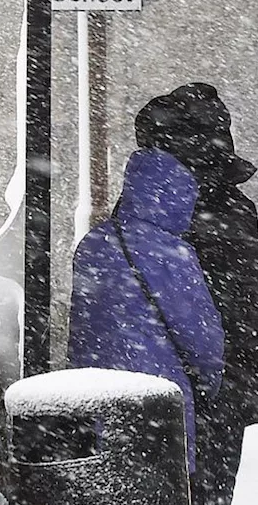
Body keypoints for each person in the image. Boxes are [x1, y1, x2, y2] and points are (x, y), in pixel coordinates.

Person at [134, 82, 258, 505]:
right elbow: (243, 301)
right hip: (218, 381)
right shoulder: (227, 208)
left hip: (145, 382)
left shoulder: (138, 210)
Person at [67, 146, 225, 476]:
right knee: (160, 496)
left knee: (107, 490)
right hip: (159, 400)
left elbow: (81, 328)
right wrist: (209, 385)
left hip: (93, 394)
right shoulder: (175, 254)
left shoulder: (93, 244)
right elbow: (203, 340)